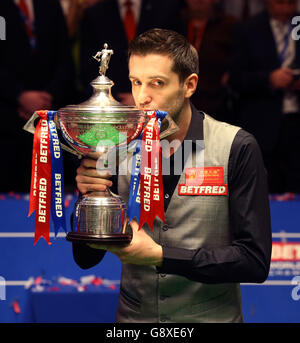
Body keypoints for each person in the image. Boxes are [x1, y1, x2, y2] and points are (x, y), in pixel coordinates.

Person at [72, 28, 272, 323]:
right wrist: (89, 197)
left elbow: (254, 262)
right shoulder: (115, 146)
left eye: (157, 83)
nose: (142, 97)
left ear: (189, 85)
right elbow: (86, 259)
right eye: (135, 82)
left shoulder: (237, 147)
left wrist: (161, 256)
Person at [0, 0, 77, 192]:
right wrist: (19, 96)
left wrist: (48, 97)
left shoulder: (50, 5)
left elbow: (64, 58)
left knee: (48, 191)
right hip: (7, 120)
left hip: (49, 117)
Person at [229, 0, 300, 194]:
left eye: (291, 3)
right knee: (265, 188)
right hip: (263, 121)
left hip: (296, 119)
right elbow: (235, 78)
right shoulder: (249, 29)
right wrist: (269, 78)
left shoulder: (298, 23)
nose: (286, 7)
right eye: (280, 2)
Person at [79, 0, 185, 106]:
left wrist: (144, 96)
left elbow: (176, 60)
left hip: (158, 103)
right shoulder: (94, 13)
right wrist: (114, 99)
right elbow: (89, 67)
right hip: (109, 105)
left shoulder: (167, 9)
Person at [181, 0, 238, 122]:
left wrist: (231, 74)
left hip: (217, 104)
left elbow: (241, 60)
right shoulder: (173, 21)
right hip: (179, 101)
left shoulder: (230, 25)